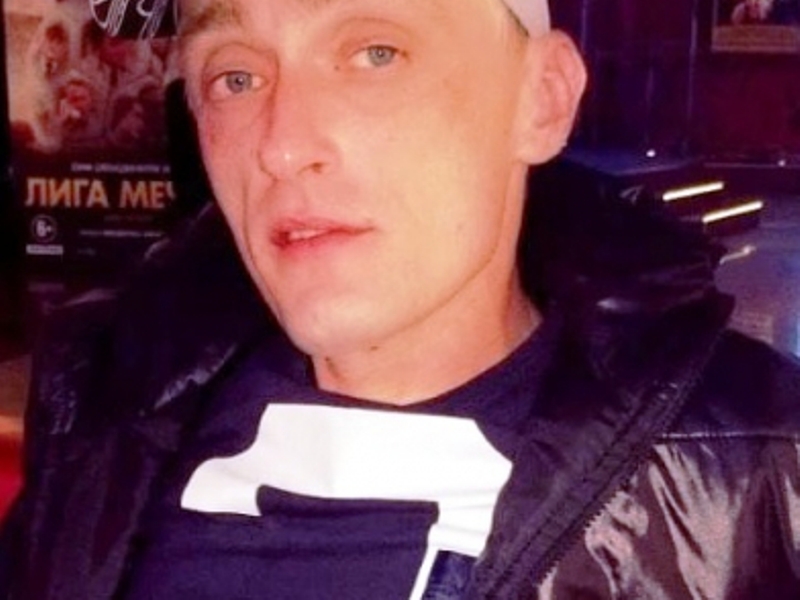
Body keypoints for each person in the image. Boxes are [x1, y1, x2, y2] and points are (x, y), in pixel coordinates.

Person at [2, 0, 800, 598]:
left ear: (543, 98)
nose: (282, 146)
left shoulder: (754, 472)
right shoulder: (105, 415)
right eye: (235, 76)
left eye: (375, 53)